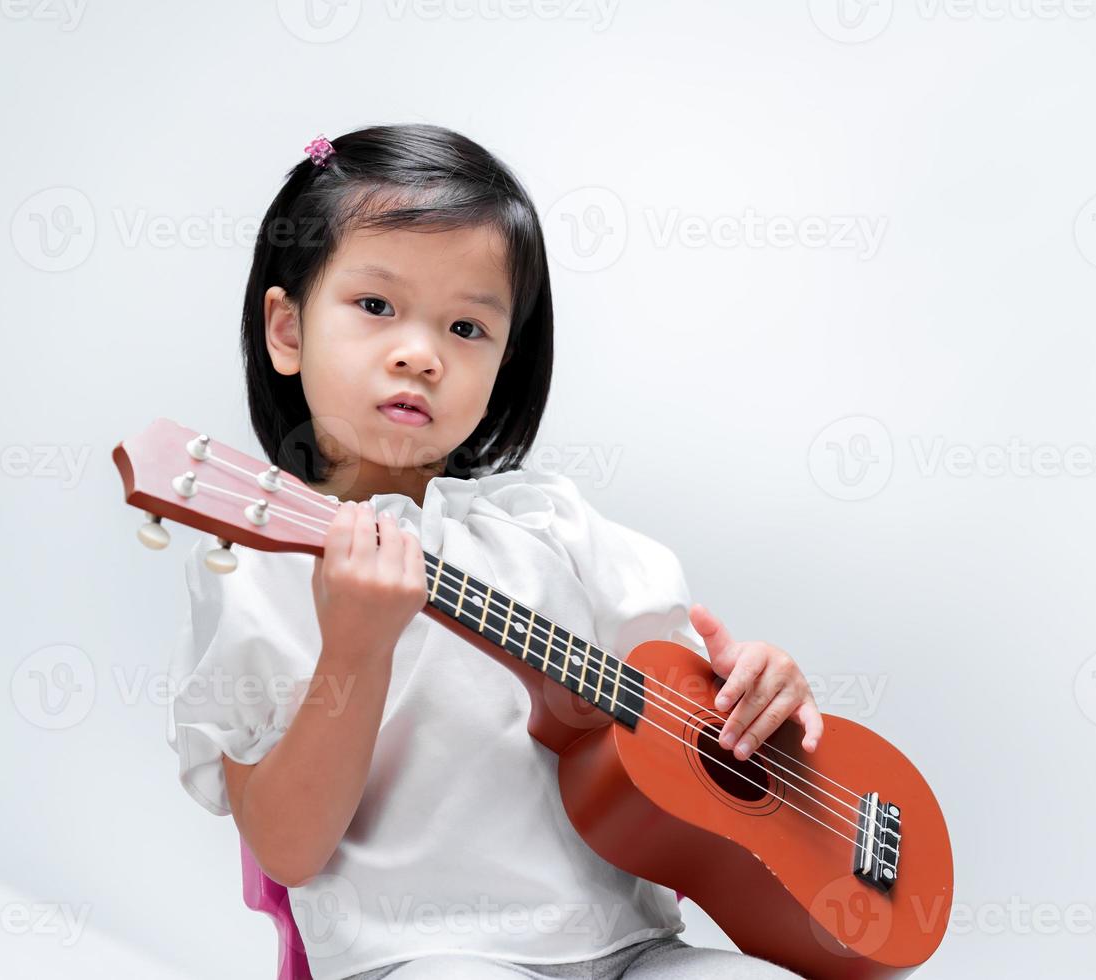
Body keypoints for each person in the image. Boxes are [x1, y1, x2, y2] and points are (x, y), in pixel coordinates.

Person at [167, 124, 822, 980]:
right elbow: (287, 848)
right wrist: (357, 649)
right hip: (424, 953)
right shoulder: (259, 567)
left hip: (633, 946)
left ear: (504, 363)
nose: (420, 353)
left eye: (467, 326)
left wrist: (758, 697)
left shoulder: (548, 524)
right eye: (375, 306)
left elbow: (683, 715)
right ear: (287, 330)